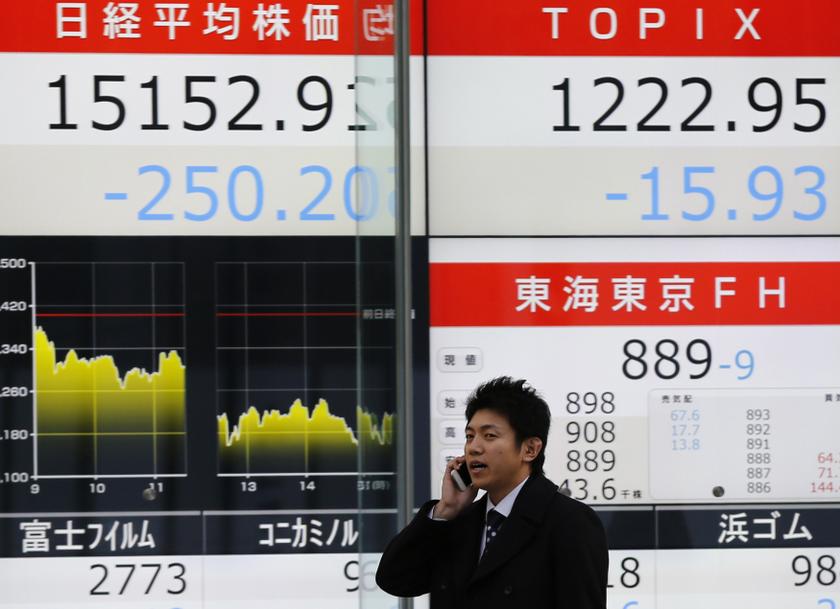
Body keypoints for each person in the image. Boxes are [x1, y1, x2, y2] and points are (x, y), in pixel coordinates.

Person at [376, 376, 608, 608]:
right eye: (470, 436)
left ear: (530, 449)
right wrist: (445, 510)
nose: (474, 448)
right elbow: (395, 580)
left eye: (489, 436)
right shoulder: (458, 522)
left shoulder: (570, 522)